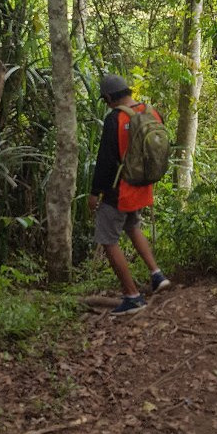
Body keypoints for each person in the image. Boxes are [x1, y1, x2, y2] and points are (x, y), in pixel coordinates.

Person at [88, 73, 171, 315]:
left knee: (107, 239)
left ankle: (132, 296)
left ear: (108, 98)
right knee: (132, 226)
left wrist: (94, 193)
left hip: (119, 189)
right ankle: (157, 275)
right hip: (142, 185)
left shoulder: (115, 119)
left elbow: (105, 161)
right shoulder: (151, 111)